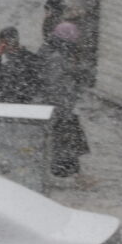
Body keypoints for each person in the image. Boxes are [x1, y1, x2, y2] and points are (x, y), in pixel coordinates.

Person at [38, 22, 91, 182]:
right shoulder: (56, 58)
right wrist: (61, 108)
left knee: (64, 141)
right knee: (63, 141)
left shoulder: (52, 52)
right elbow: (54, 85)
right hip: (57, 108)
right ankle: (68, 174)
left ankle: (72, 174)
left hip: (59, 107)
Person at [0, 27, 41, 103]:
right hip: (28, 104)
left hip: (12, 105)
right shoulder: (31, 57)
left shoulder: (11, 64)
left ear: (4, 43)